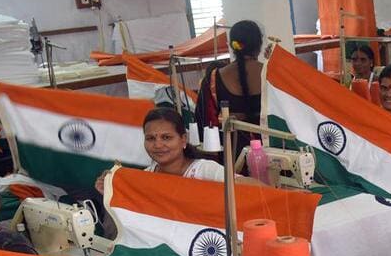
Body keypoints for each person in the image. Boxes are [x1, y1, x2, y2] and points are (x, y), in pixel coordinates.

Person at [95, 107, 224, 192]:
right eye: (150, 138)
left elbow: (236, 189)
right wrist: (110, 189)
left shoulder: (207, 171)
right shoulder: (144, 178)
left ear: (183, 139)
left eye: (166, 137)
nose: (158, 145)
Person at [199, 20, 264, 157]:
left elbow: (207, 123)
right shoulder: (272, 74)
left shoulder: (213, 79)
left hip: (232, 154)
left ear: (232, 46)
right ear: (259, 45)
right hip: (271, 151)